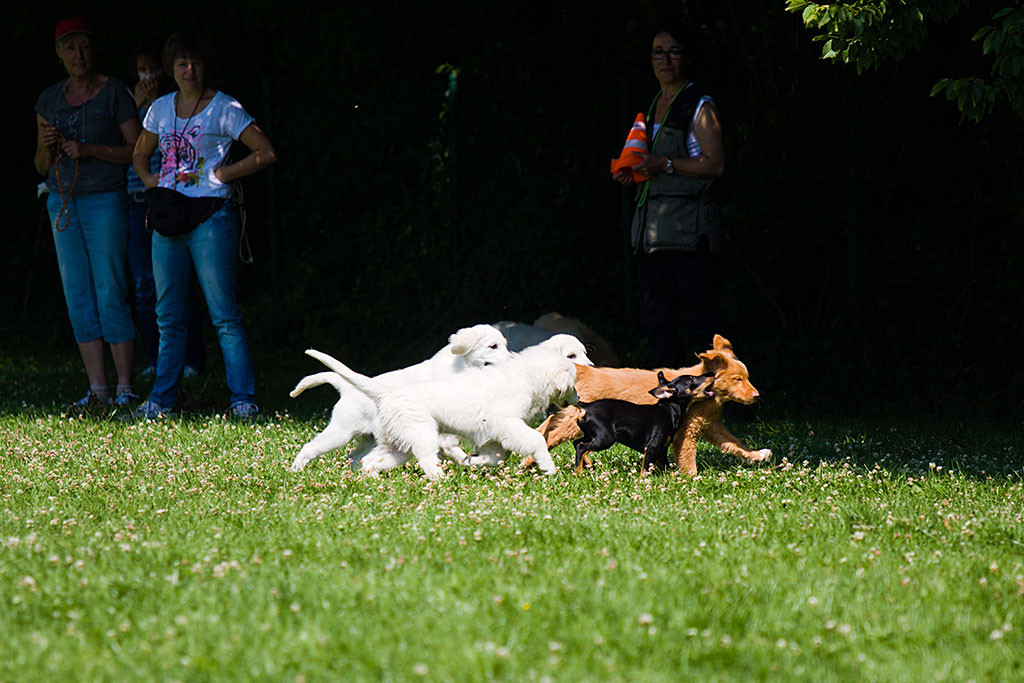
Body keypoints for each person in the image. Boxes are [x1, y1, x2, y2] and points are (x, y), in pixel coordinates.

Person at [132, 31, 277, 419]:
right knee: (168, 315)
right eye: (181, 64)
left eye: (195, 63)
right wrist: (151, 183)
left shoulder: (225, 107)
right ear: (171, 69)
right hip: (167, 218)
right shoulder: (160, 108)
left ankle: (243, 399)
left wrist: (226, 173)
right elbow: (140, 153)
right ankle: (161, 401)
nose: (189, 70)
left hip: (211, 215)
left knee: (224, 315)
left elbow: (265, 152)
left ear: (204, 65)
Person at [34, 17, 142, 408]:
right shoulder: (48, 100)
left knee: (110, 287)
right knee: (77, 292)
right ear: (59, 53)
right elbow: (40, 165)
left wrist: (92, 149)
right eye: (69, 47)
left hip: (104, 199)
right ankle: (97, 389)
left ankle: (125, 387)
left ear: (91, 50)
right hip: (63, 202)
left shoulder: (113, 91)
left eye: (83, 46)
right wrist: (48, 145)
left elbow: (136, 149)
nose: (77, 55)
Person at [613, 21, 731, 368]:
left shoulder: (699, 104)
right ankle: (671, 405)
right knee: (656, 321)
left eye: (674, 52)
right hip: (652, 237)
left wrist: (663, 163)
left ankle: (730, 398)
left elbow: (715, 165)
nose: (665, 60)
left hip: (690, 235)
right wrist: (633, 172)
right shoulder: (654, 104)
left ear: (687, 58)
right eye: (658, 52)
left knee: (703, 321)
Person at [125, 39, 205, 379]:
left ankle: (191, 360)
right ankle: (157, 359)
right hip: (137, 200)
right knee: (145, 285)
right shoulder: (130, 104)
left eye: (153, 69)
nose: (148, 76)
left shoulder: (177, 105)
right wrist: (138, 106)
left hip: (173, 201)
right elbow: (129, 150)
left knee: (179, 283)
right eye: (142, 70)